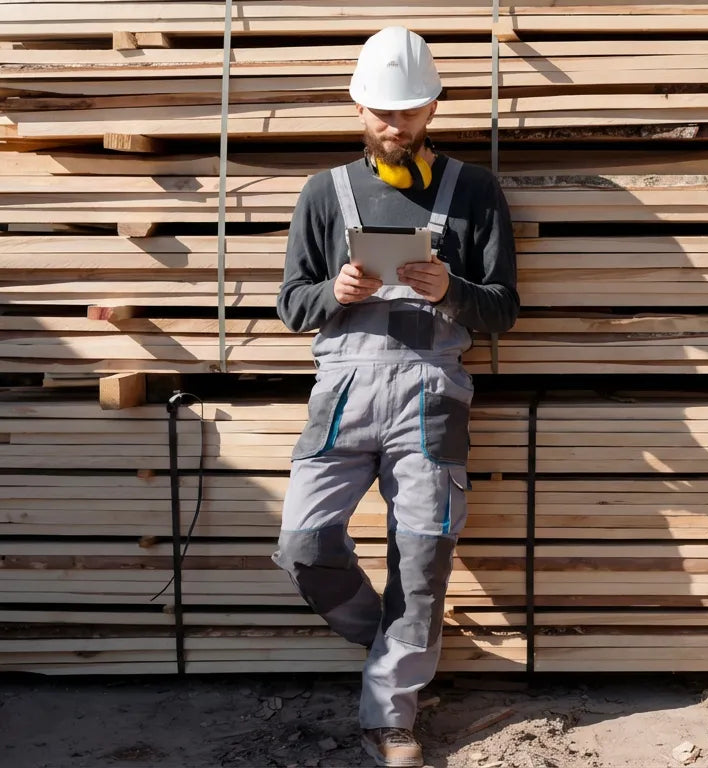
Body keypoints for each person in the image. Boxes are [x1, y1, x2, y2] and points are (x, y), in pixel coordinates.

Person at [271, 25, 519, 768]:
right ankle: (390, 641)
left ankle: (391, 715)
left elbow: (503, 308)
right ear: (358, 106)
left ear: (433, 107)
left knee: (421, 559)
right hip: (343, 392)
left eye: (408, 111)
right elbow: (290, 306)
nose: (394, 125)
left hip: (431, 395)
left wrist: (453, 289)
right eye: (382, 111)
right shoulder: (324, 193)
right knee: (304, 543)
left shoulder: (474, 191)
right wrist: (334, 291)